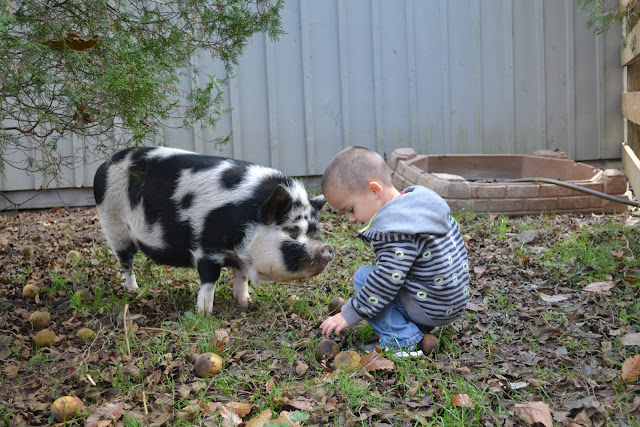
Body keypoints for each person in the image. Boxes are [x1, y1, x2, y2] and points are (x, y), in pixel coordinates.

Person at [319, 146, 470, 357]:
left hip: (431, 307)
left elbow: (385, 282)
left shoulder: (396, 229)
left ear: (374, 191)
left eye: (351, 209)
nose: (351, 219)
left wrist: (349, 314)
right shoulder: (419, 204)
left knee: (364, 277)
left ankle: (402, 340)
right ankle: (419, 328)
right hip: (452, 301)